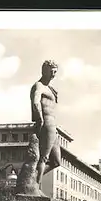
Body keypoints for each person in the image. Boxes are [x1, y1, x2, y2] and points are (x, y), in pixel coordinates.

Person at [30, 60, 61, 190]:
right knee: (43, 158)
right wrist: (40, 118)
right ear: (45, 71)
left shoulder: (49, 89)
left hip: (53, 125)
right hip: (46, 123)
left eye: (55, 72)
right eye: (51, 71)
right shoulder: (39, 86)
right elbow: (36, 101)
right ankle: (35, 186)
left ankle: (33, 178)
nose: (53, 74)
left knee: (56, 162)